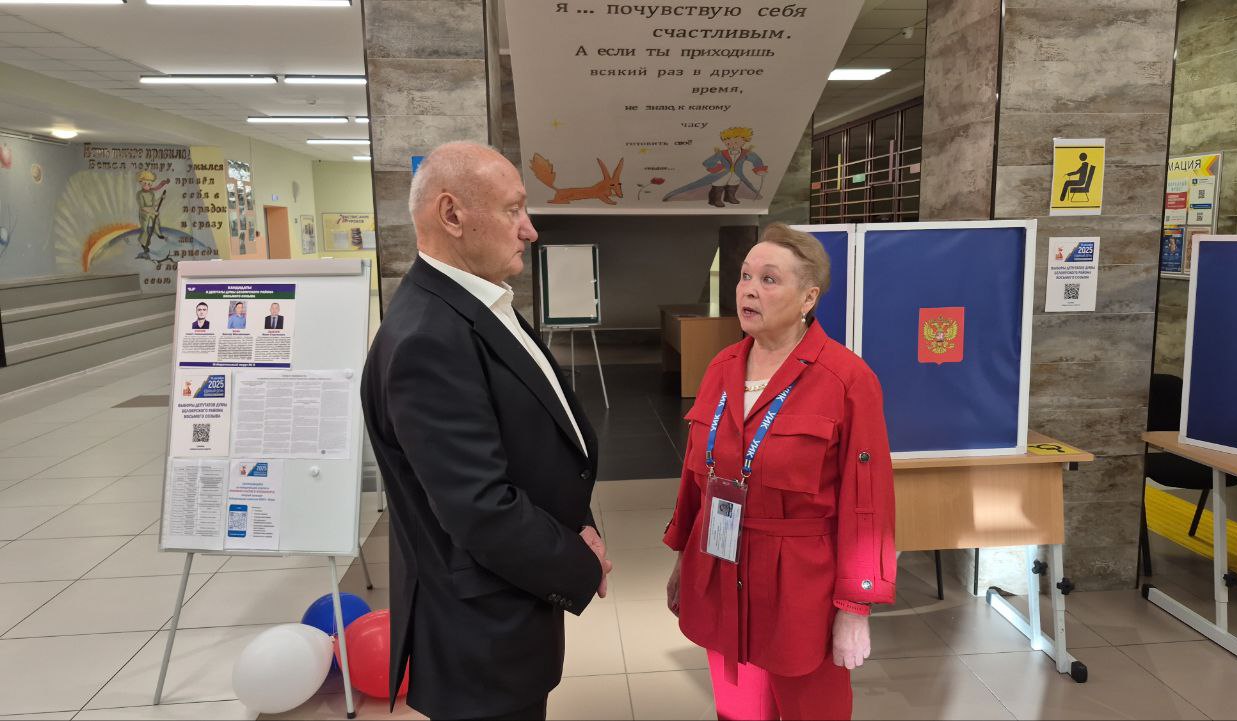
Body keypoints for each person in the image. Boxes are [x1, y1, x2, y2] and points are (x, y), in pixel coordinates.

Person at [361, 141, 611, 721]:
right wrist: (579, 562)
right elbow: (479, 507)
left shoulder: (473, 301)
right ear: (452, 215)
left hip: (509, 598)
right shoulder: (429, 337)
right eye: (512, 209)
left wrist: (579, 523)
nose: (530, 230)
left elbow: (527, 444)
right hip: (479, 632)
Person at [663, 223, 896, 720]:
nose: (748, 289)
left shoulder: (847, 380)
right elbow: (695, 479)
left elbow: (868, 503)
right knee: (737, 710)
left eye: (769, 279)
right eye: (745, 276)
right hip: (719, 564)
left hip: (801, 585)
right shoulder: (721, 367)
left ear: (809, 297)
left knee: (813, 710)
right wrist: (684, 558)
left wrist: (854, 608)